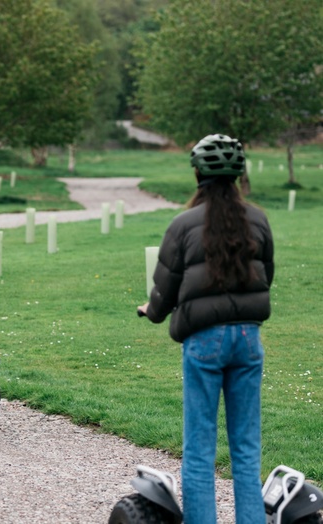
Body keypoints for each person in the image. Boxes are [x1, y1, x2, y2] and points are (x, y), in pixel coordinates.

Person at [138, 134, 274, 524]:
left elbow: (165, 288)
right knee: (246, 449)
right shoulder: (259, 220)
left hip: (205, 342)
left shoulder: (183, 224)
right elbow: (266, 277)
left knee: (200, 448)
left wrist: (153, 310)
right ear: (238, 174)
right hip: (248, 339)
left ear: (197, 173)